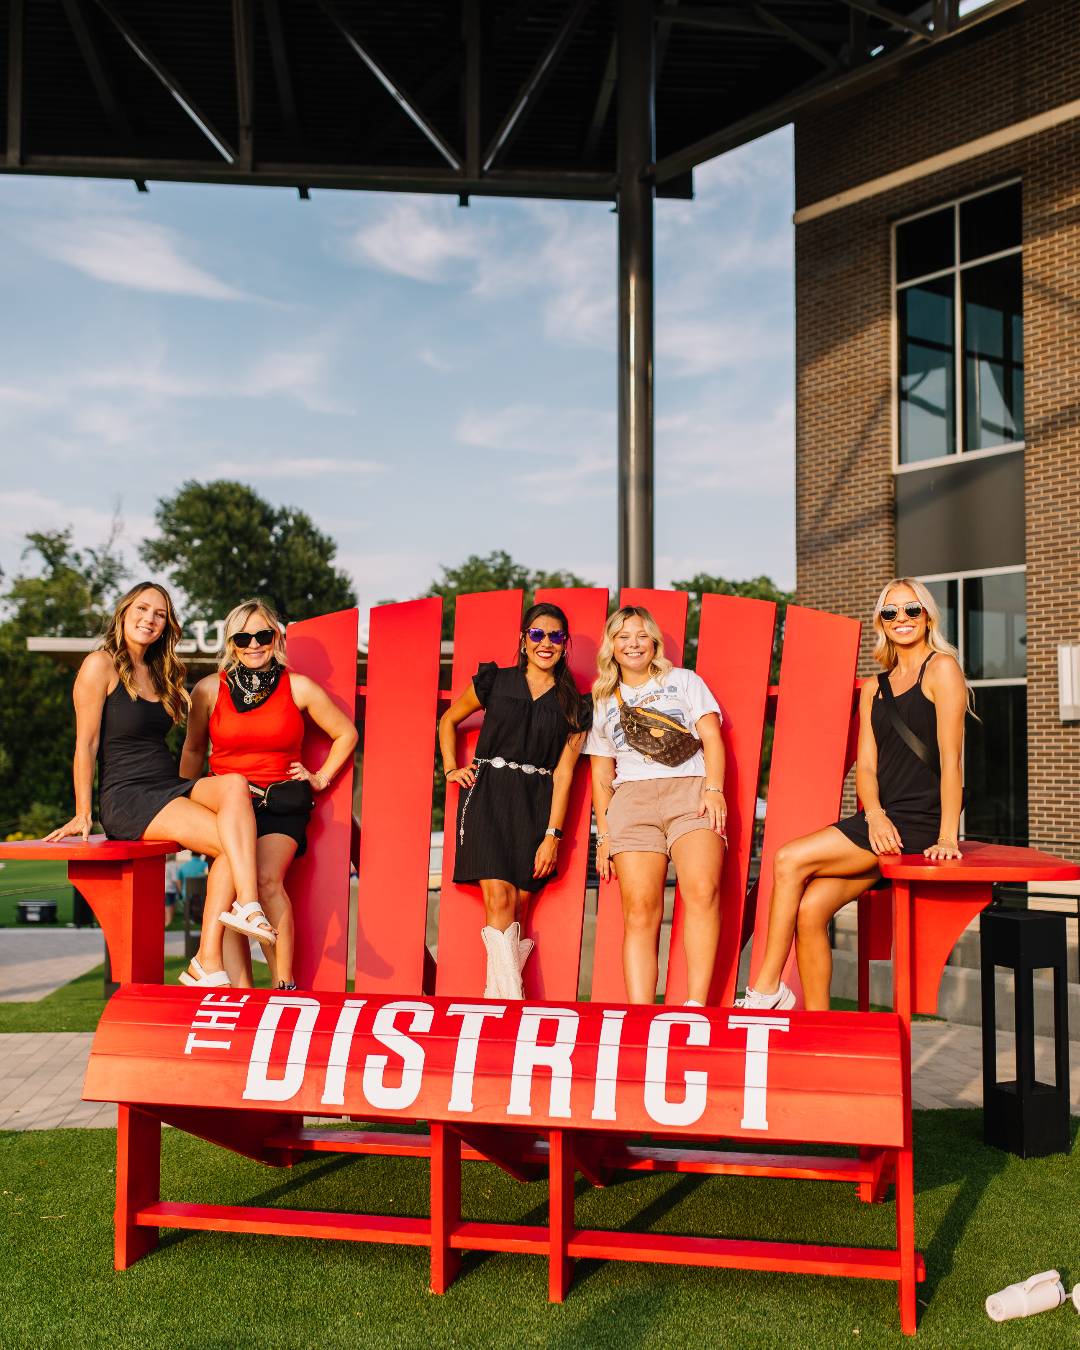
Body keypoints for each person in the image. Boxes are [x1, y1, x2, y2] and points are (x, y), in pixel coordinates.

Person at [740, 577, 969, 1012]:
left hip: (919, 821)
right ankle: (818, 1025)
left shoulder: (941, 669)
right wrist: (877, 814)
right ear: (881, 622)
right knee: (810, 911)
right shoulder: (874, 688)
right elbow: (866, 767)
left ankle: (766, 989)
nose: (901, 619)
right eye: (891, 612)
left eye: (911, 610)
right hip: (881, 820)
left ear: (927, 615)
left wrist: (946, 837)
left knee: (788, 859)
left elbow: (952, 760)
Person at [44, 581, 261, 988]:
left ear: (167, 625)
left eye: (159, 614)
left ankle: (214, 948)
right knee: (233, 842)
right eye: (142, 609)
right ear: (124, 612)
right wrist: (83, 811)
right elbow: (86, 744)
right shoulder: (100, 665)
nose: (150, 619)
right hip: (128, 795)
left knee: (234, 786)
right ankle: (213, 951)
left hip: (166, 783)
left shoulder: (161, 672)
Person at [180, 599, 358, 990]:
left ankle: (284, 985)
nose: (254, 644)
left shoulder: (298, 687)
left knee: (265, 879)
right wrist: (183, 804)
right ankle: (237, 991)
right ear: (231, 643)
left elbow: (347, 733)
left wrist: (322, 776)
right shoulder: (210, 690)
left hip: (281, 803)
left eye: (262, 635)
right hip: (228, 807)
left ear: (275, 637)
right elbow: (193, 750)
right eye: (243, 637)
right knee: (222, 892)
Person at [439, 603, 591, 998]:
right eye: (537, 634)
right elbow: (448, 720)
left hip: (535, 806)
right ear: (523, 640)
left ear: (564, 645)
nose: (545, 642)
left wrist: (553, 836)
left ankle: (498, 1001)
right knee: (500, 898)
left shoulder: (576, 705)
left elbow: (564, 773)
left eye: (555, 636)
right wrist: (451, 767)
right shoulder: (495, 681)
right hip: (487, 795)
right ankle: (509, 1005)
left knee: (516, 910)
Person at [586, 606, 727, 1006]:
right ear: (611, 646)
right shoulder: (601, 701)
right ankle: (641, 1013)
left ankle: (695, 1005)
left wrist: (714, 788)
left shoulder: (683, 681)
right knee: (641, 909)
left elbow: (712, 738)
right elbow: (601, 775)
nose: (633, 643)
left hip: (691, 793)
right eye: (623, 636)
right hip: (631, 802)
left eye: (641, 635)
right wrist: (604, 837)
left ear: (654, 642)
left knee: (702, 890)